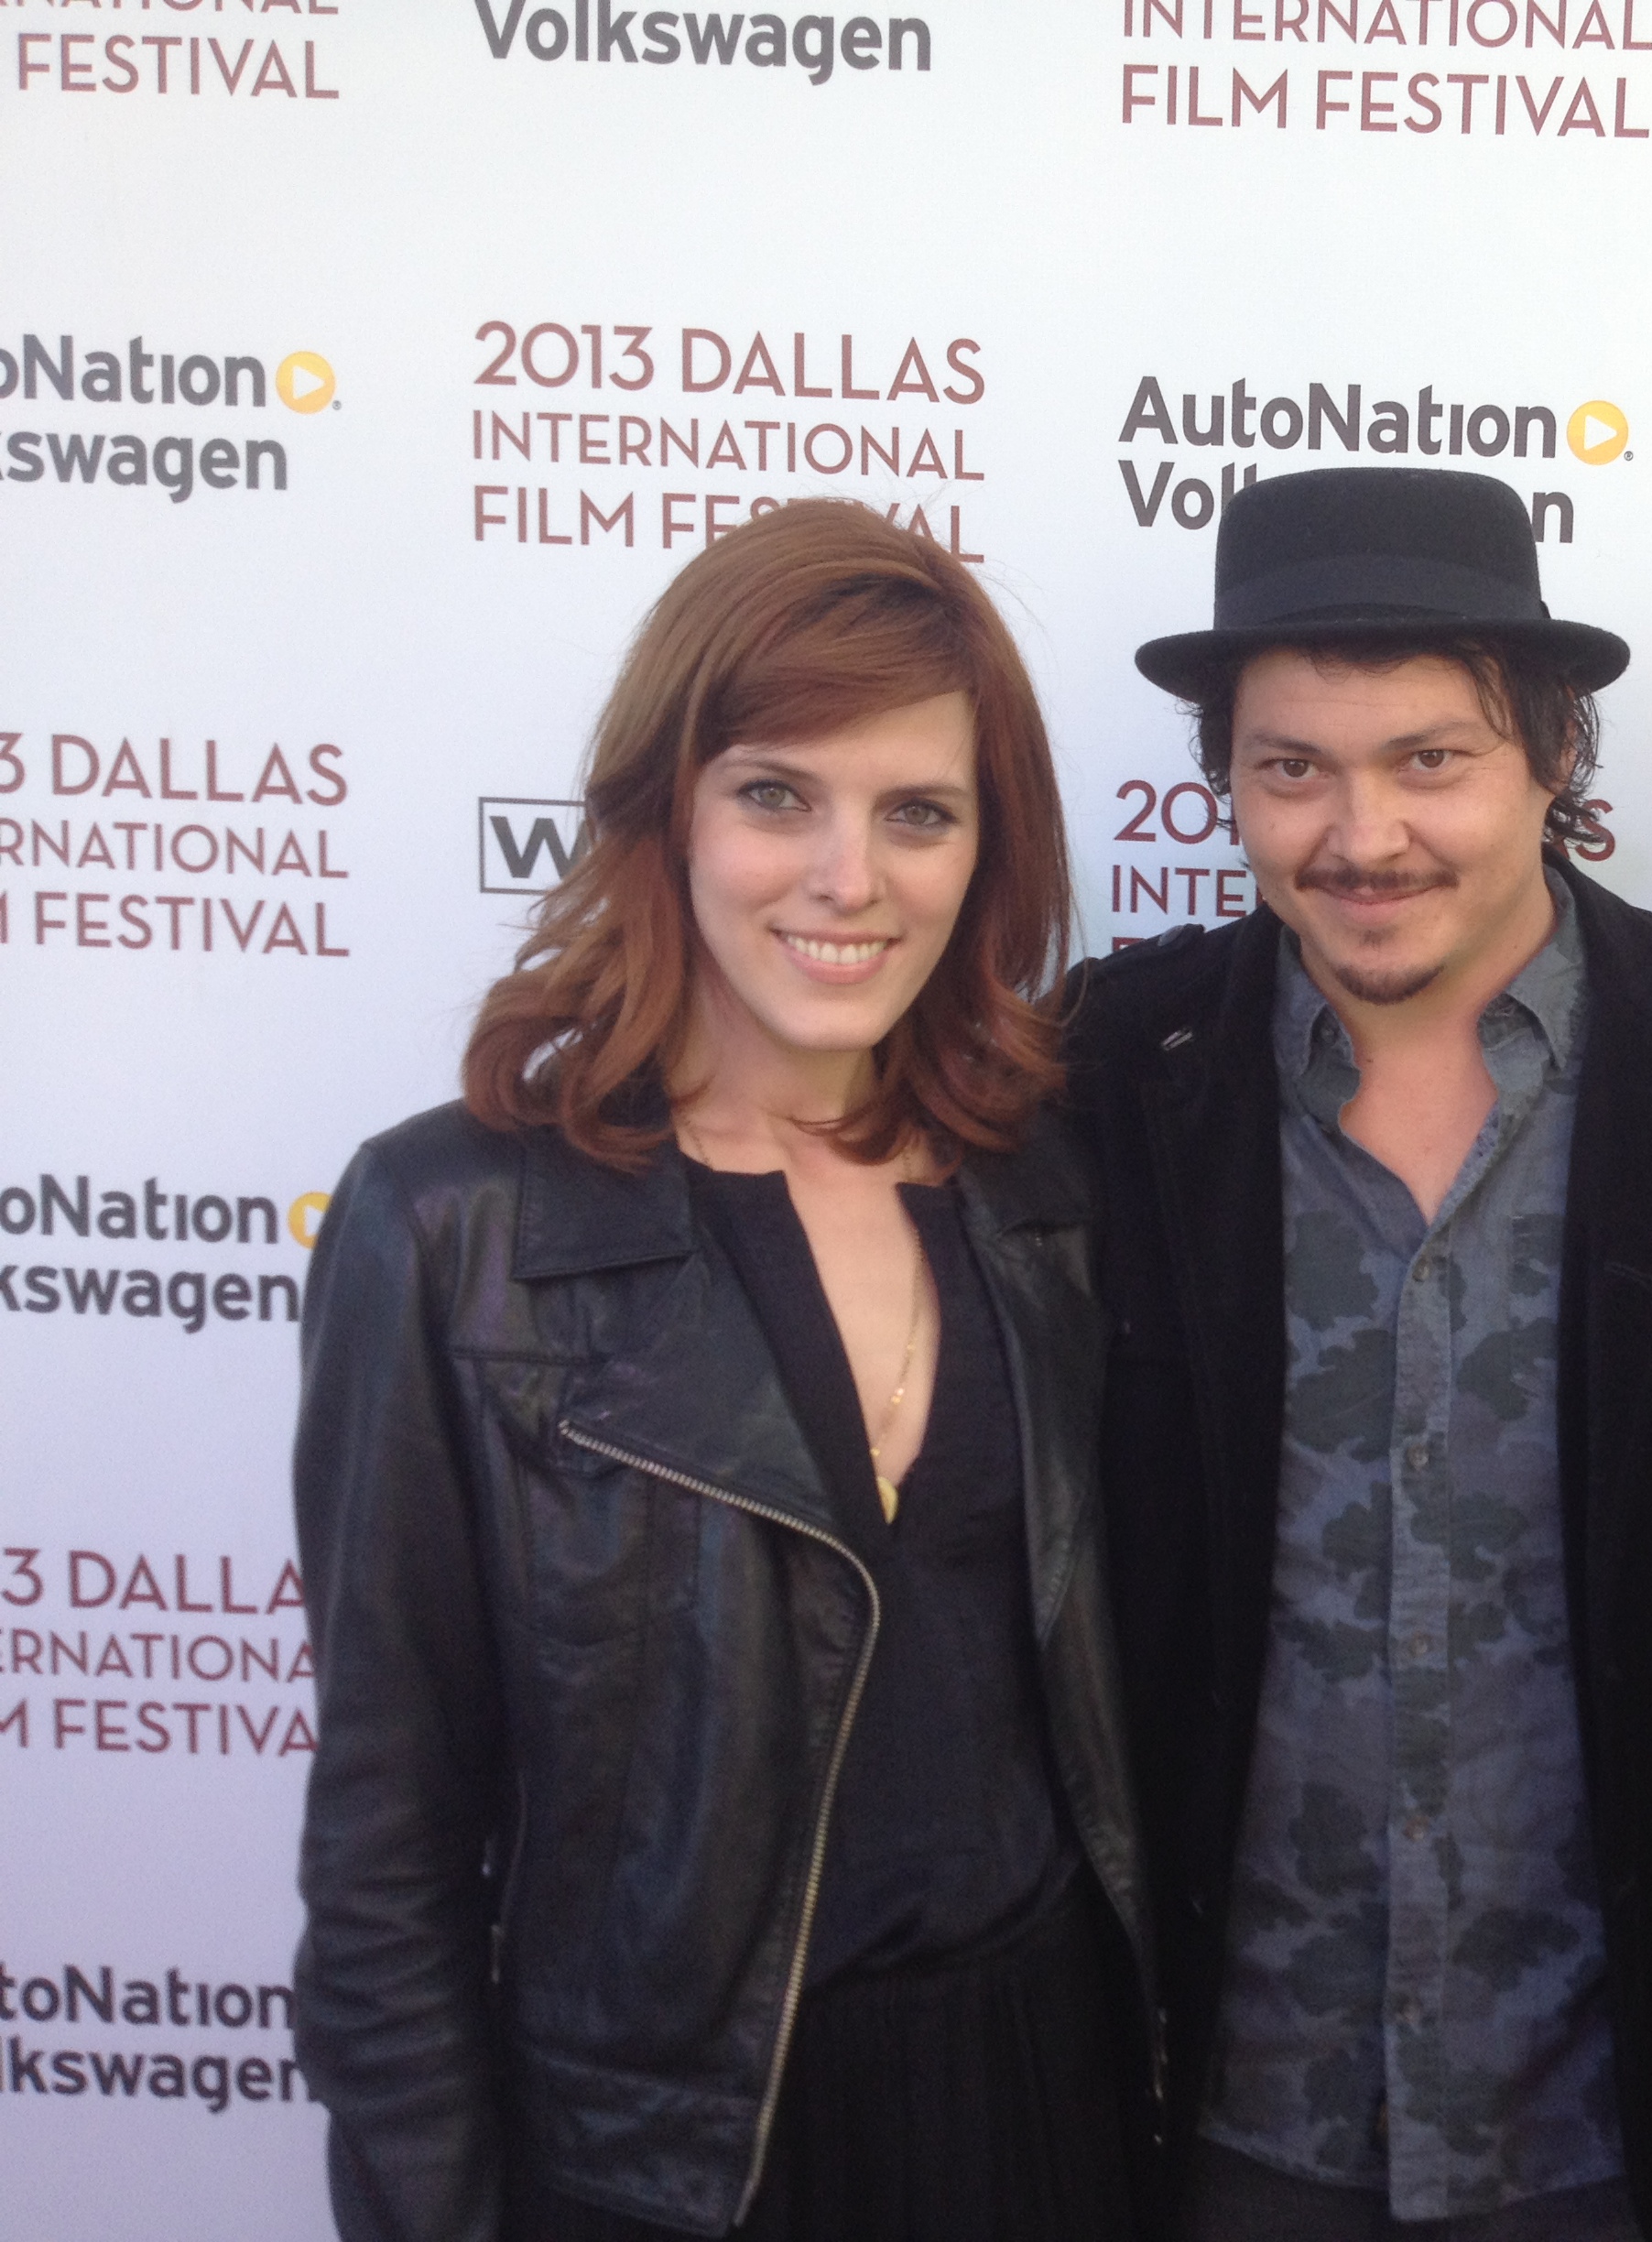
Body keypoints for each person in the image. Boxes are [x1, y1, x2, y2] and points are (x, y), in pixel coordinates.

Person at [1059, 465, 1652, 2242]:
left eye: (1432, 760)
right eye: (1291, 767)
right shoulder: (1119, 1065)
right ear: (1225, 784)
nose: (1360, 833)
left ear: (1558, 762)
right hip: (1226, 2122)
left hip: (1632, 2114)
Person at [291, 501, 1154, 2242]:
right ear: (664, 807)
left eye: (918, 813)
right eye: (779, 794)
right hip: (674, 2162)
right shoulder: (450, 1222)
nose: (851, 878)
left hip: (1045, 2104)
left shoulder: (1050, 1186)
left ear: (987, 855)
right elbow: (388, 1852)